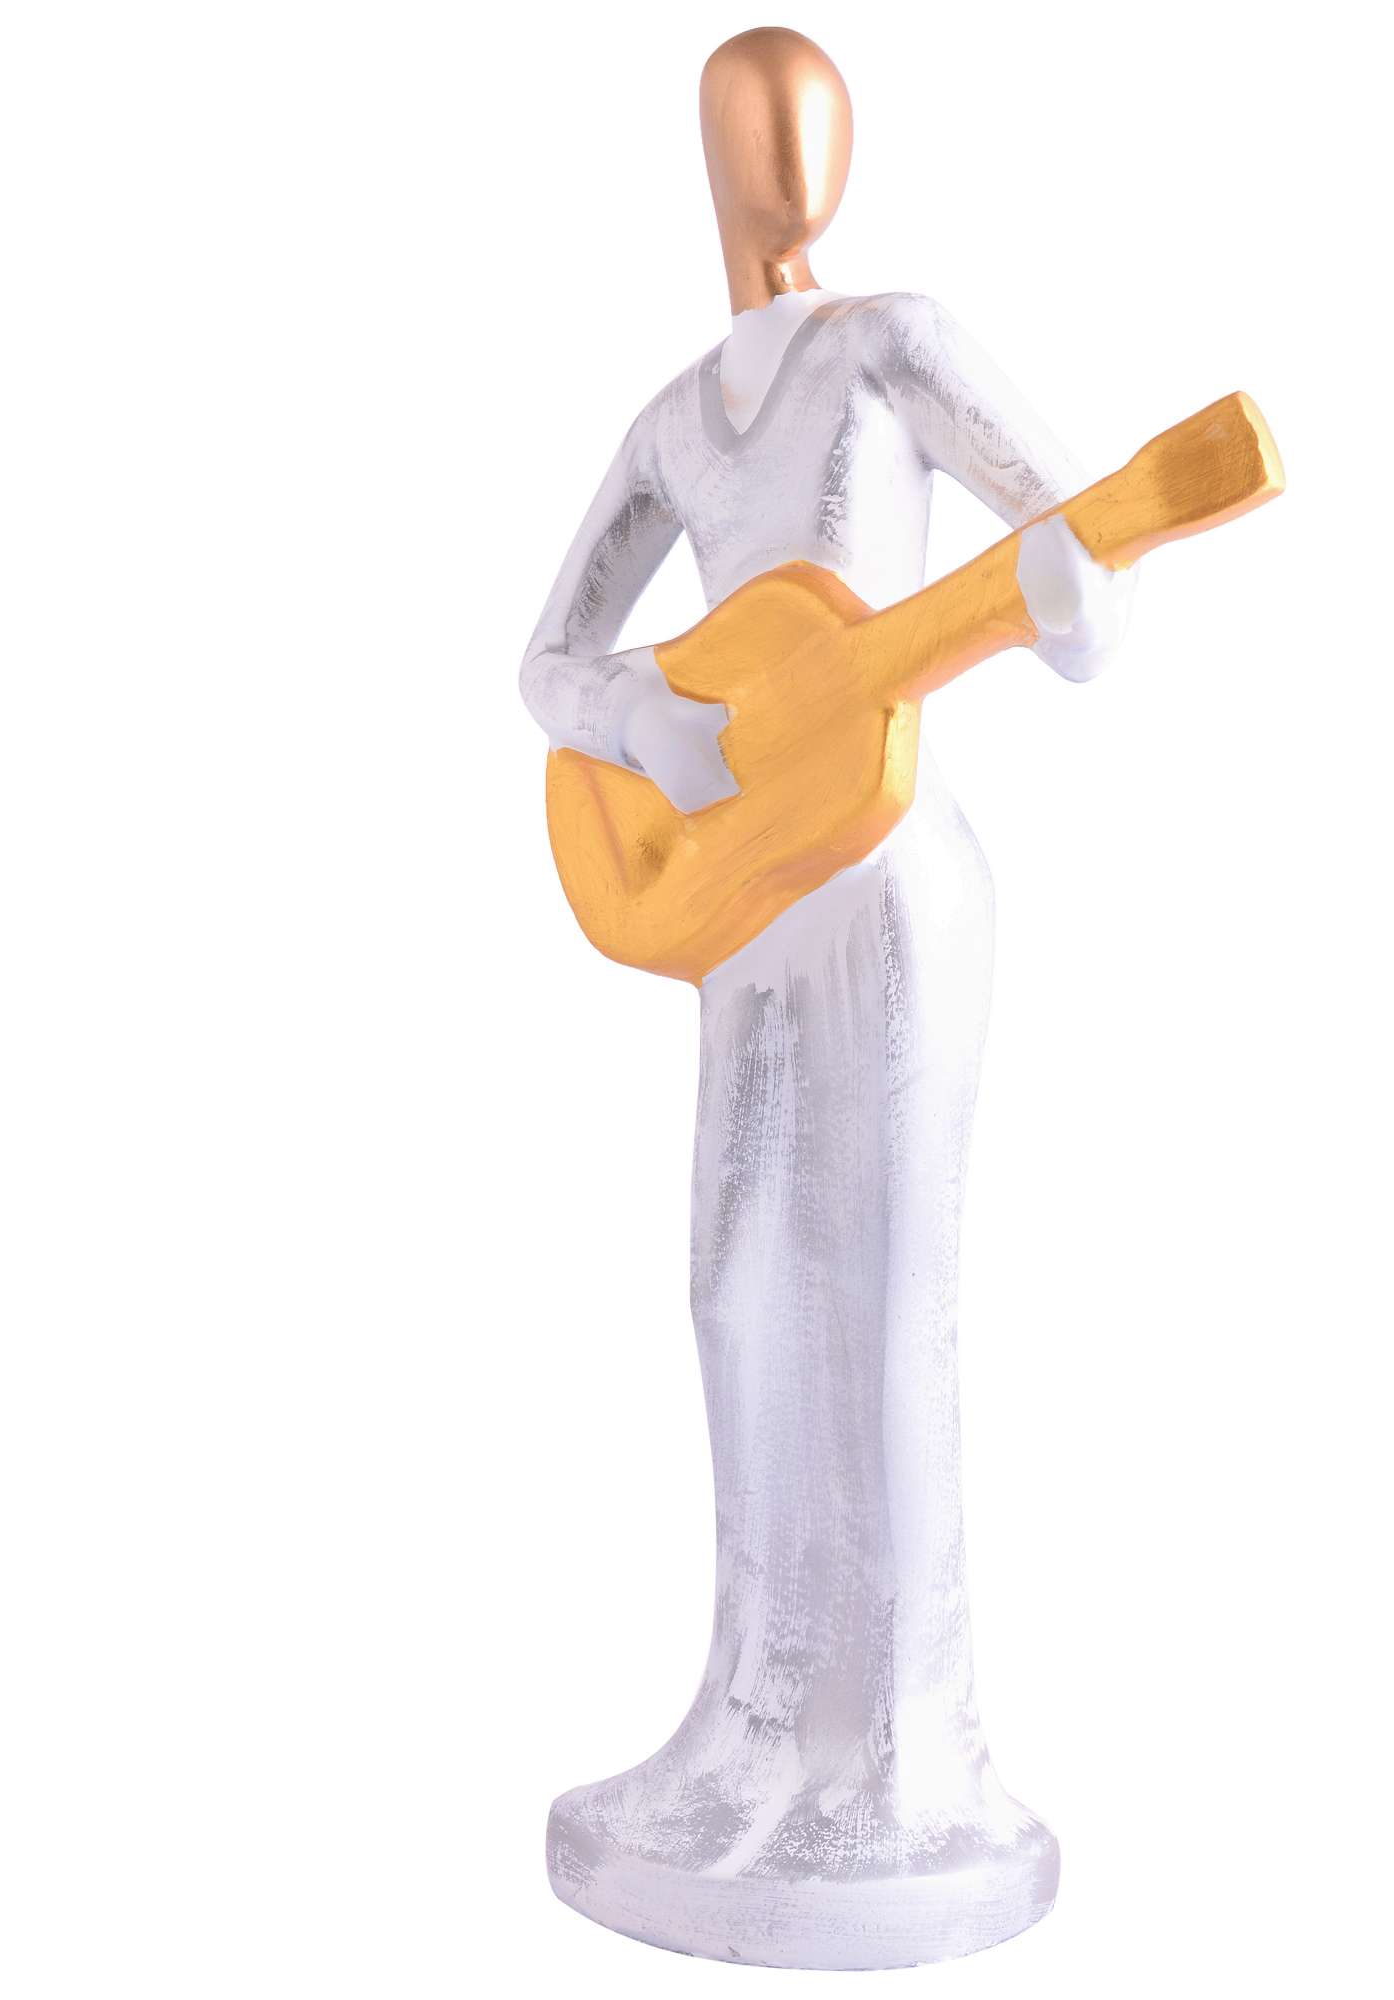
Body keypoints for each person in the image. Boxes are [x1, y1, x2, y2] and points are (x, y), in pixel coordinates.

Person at [520, 27, 1132, 1970]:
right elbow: (546, 660)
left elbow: (1090, 558)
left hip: (890, 884)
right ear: (716, 159)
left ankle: (907, 1758)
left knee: (879, 1298)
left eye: (804, 128)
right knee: (731, 1284)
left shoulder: (896, 342)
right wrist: (639, 718)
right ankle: (757, 1718)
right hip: (750, 888)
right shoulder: (673, 419)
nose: (786, 163)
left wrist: (1069, 598)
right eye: (753, 130)